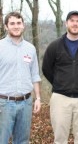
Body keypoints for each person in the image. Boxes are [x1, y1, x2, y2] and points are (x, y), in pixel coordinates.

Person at [42, 10, 78, 144]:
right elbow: (46, 69)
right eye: (72, 21)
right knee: (60, 139)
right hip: (60, 99)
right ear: (66, 23)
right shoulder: (54, 46)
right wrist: (60, 83)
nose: (75, 24)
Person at [0, 12, 41, 144]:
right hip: (4, 103)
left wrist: (38, 98)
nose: (16, 26)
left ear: (23, 25)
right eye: (12, 23)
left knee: (22, 141)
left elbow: (35, 75)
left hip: (26, 103)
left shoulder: (31, 49)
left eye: (19, 23)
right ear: (6, 26)